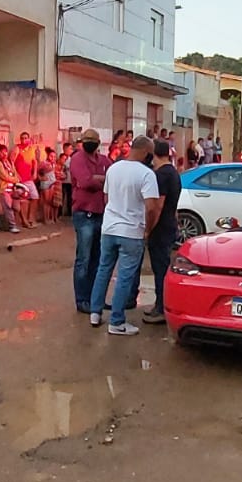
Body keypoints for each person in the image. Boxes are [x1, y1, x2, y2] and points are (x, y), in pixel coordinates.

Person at [88, 136, 161, 336]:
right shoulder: (147, 174)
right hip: (131, 231)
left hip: (109, 228)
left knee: (103, 270)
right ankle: (117, 321)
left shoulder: (113, 168)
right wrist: (148, 229)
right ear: (147, 152)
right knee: (124, 277)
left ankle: (95, 312)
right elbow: (152, 207)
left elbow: (106, 197)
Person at [69, 129, 112, 313]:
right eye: (86, 140)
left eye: (92, 140)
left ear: (98, 143)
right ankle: (82, 300)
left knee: (98, 259)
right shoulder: (78, 158)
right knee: (83, 259)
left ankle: (96, 299)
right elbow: (85, 181)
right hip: (83, 214)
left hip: (101, 213)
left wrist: (98, 180)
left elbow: (113, 178)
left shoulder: (104, 160)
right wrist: (103, 181)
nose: (89, 143)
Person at [141, 140, 182, 325]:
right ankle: (162, 304)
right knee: (163, 266)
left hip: (161, 227)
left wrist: (148, 229)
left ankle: (161, 307)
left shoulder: (161, 175)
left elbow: (157, 206)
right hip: (169, 225)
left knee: (160, 269)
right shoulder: (173, 172)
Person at [0, 144, 22, 233]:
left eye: (5, 152)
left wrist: (16, 177)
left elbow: (15, 172)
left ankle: (11, 223)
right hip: (3, 189)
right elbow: (4, 176)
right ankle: (12, 226)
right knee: (8, 207)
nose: (4, 154)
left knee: (16, 207)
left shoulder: (8, 162)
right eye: (1, 152)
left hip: (12, 189)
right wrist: (15, 179)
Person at [38, 146, 59, 225]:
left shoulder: (54, 164)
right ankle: (45, 218)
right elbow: (37, 171)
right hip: (46, 183)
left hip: (52, 183)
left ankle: (48, 217)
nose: (53, 158)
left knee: (50, 202)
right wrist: (40, 178)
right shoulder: (44, 163)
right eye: (51, 156)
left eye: (54, 156)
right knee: (45, 201)